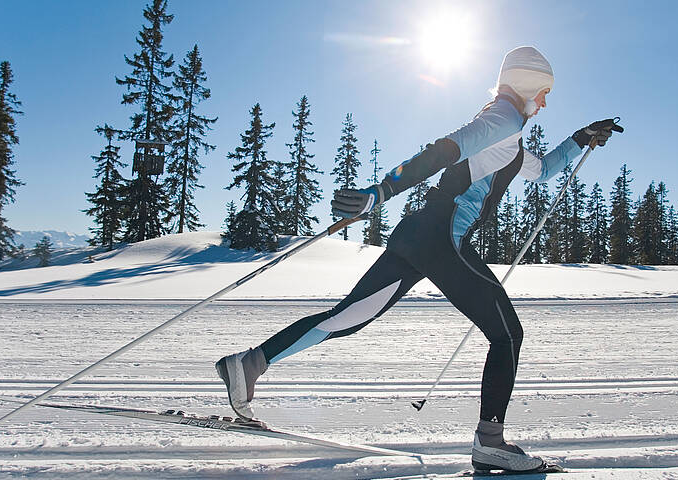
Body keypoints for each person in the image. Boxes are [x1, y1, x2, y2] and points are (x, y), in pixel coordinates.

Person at [216, 46, 622, 472]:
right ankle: (491, 442)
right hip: (442, 237)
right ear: (525, 85)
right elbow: (444, 151)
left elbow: (541, 170)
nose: (544, 102)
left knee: (346, 318)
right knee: (507, 336)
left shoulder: (510, 135)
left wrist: (581, 139)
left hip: (419, 234)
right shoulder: (501, 119)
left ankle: (249, 364)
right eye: (543, 92)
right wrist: (380, 192)